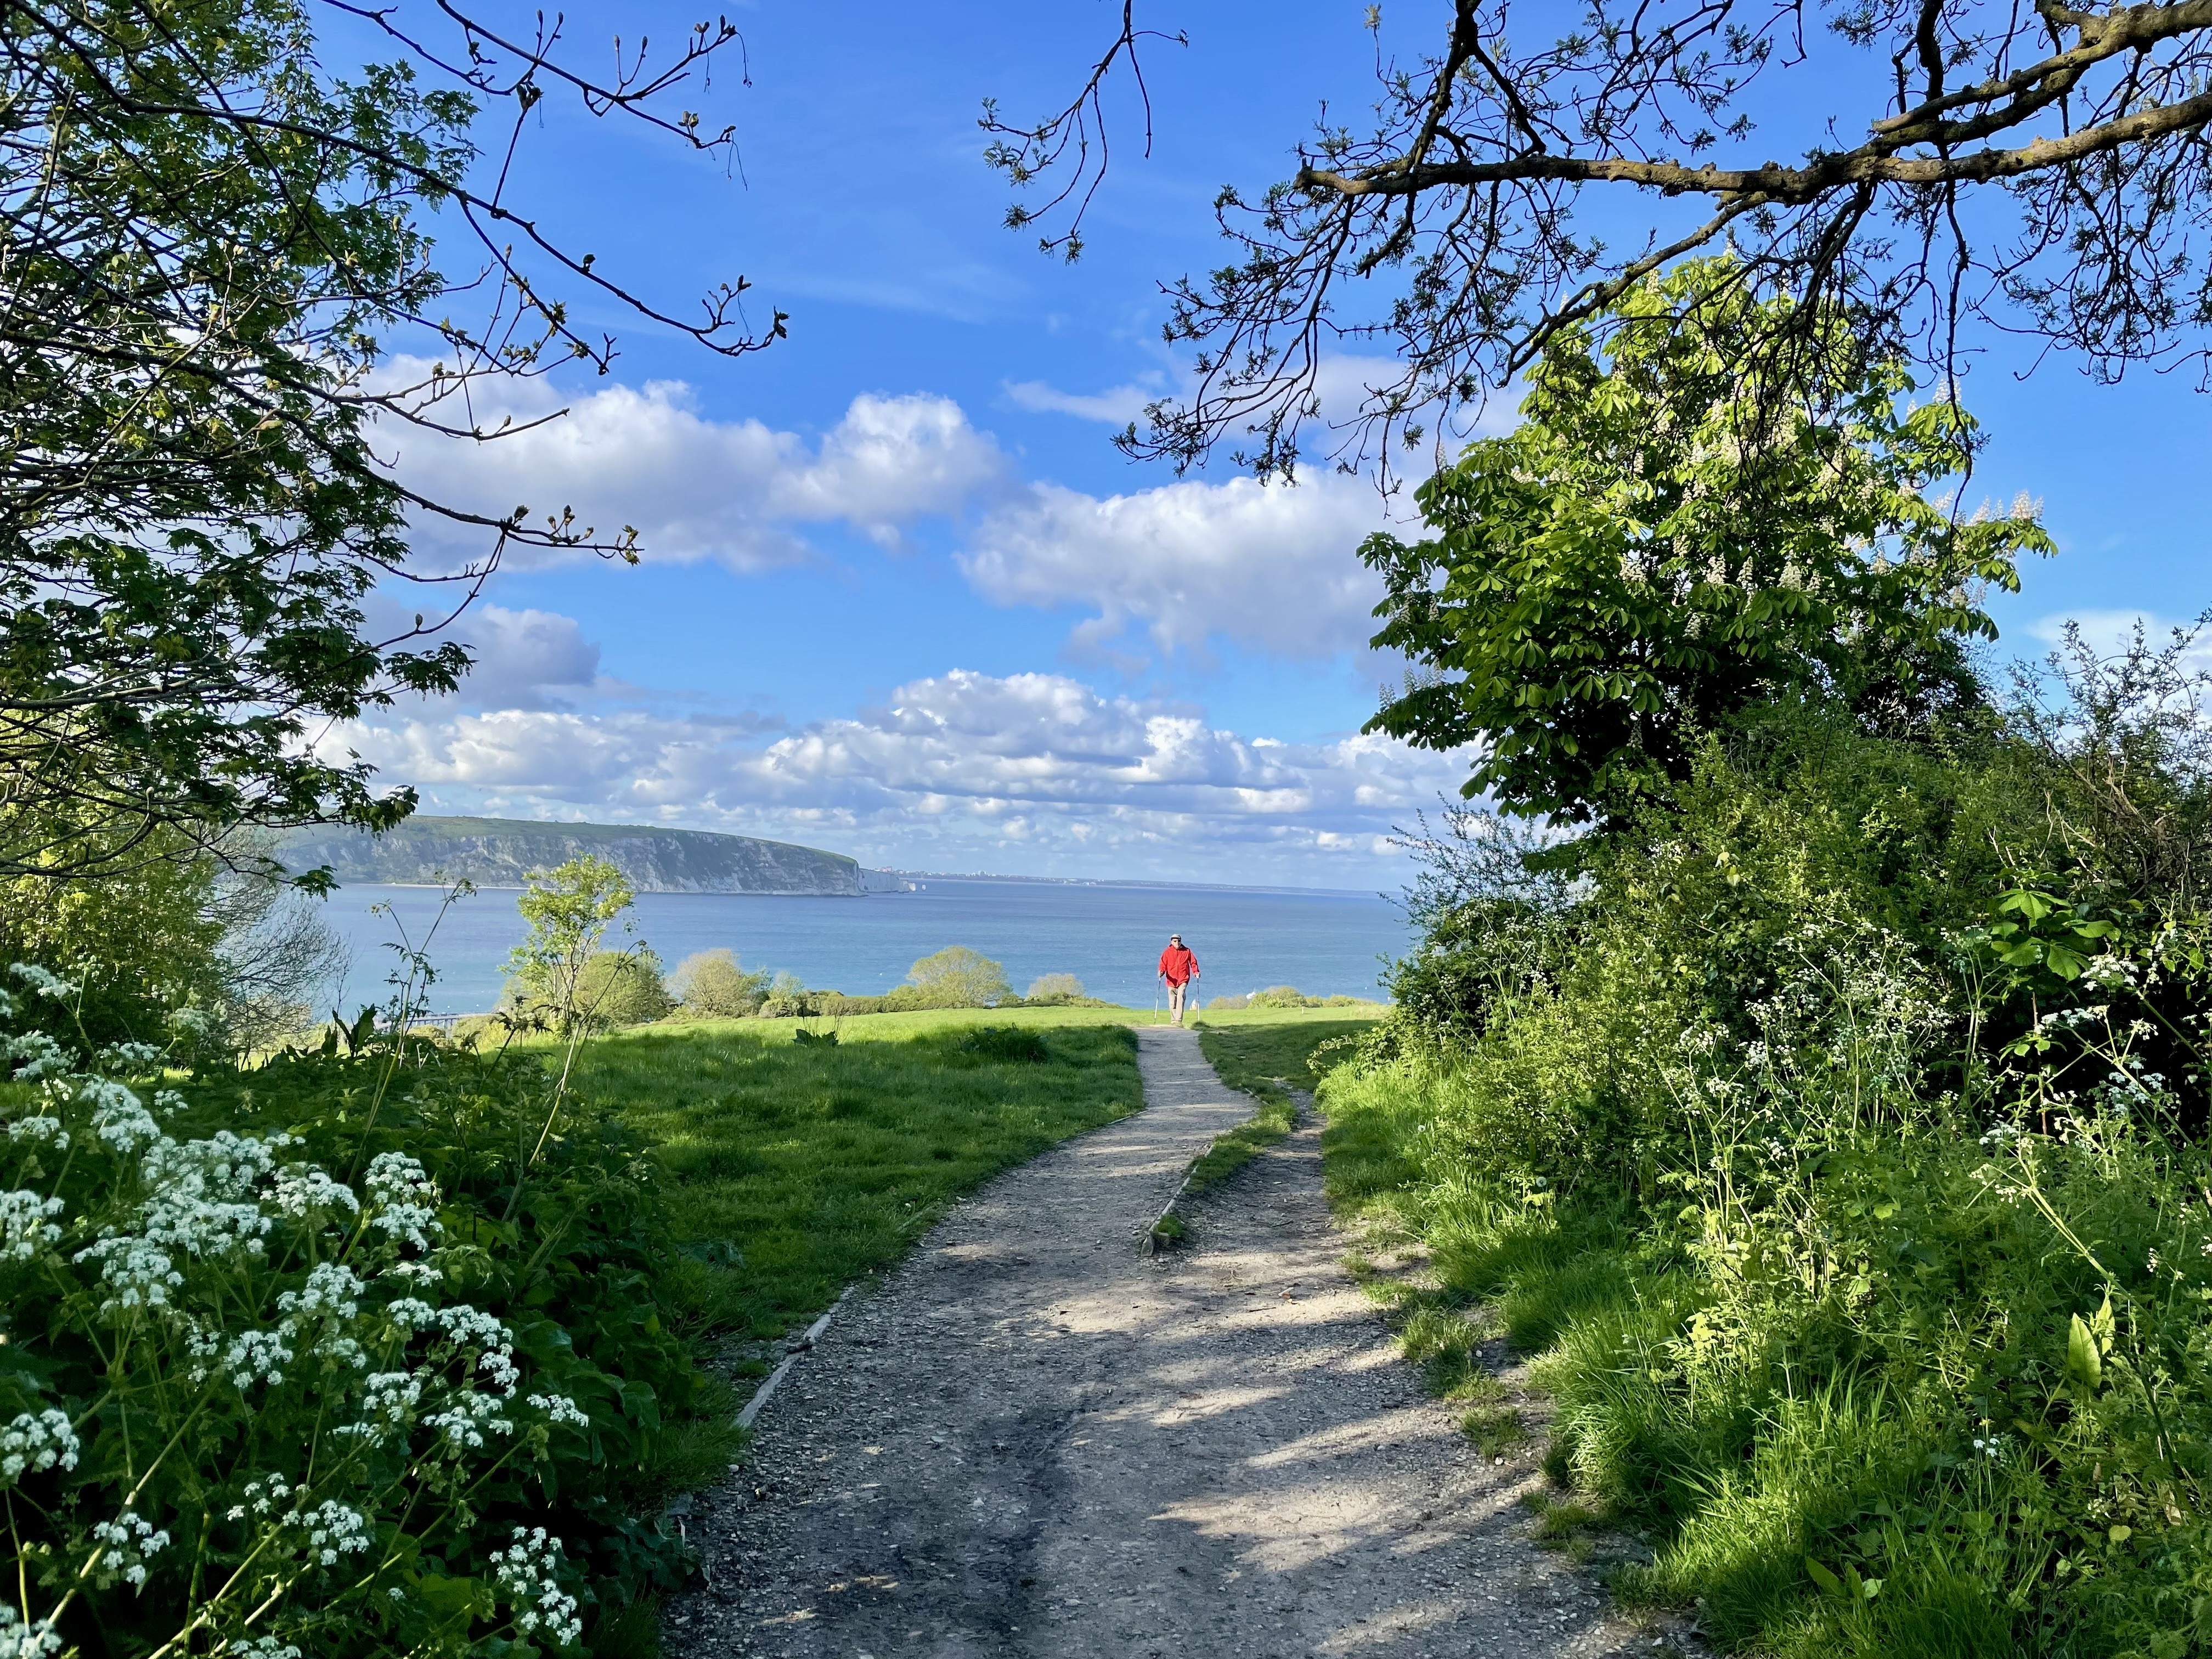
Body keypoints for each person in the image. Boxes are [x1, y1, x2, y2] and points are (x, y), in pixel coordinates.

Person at [1157, 934, 1199, 1026]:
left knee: (1181, 997)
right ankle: (1173, 1020)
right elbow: (1163, 965)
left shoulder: (1187, 951)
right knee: (1172, 1002)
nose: (1177, 943)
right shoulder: (1167, 952)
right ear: (1172, 942)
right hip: (1171, 980)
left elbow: (1193, 962)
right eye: (1175, 941)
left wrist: (1196, 972)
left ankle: (1178, 1020)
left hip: (1183, 979)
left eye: (1179, 941)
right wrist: (1161, 972)